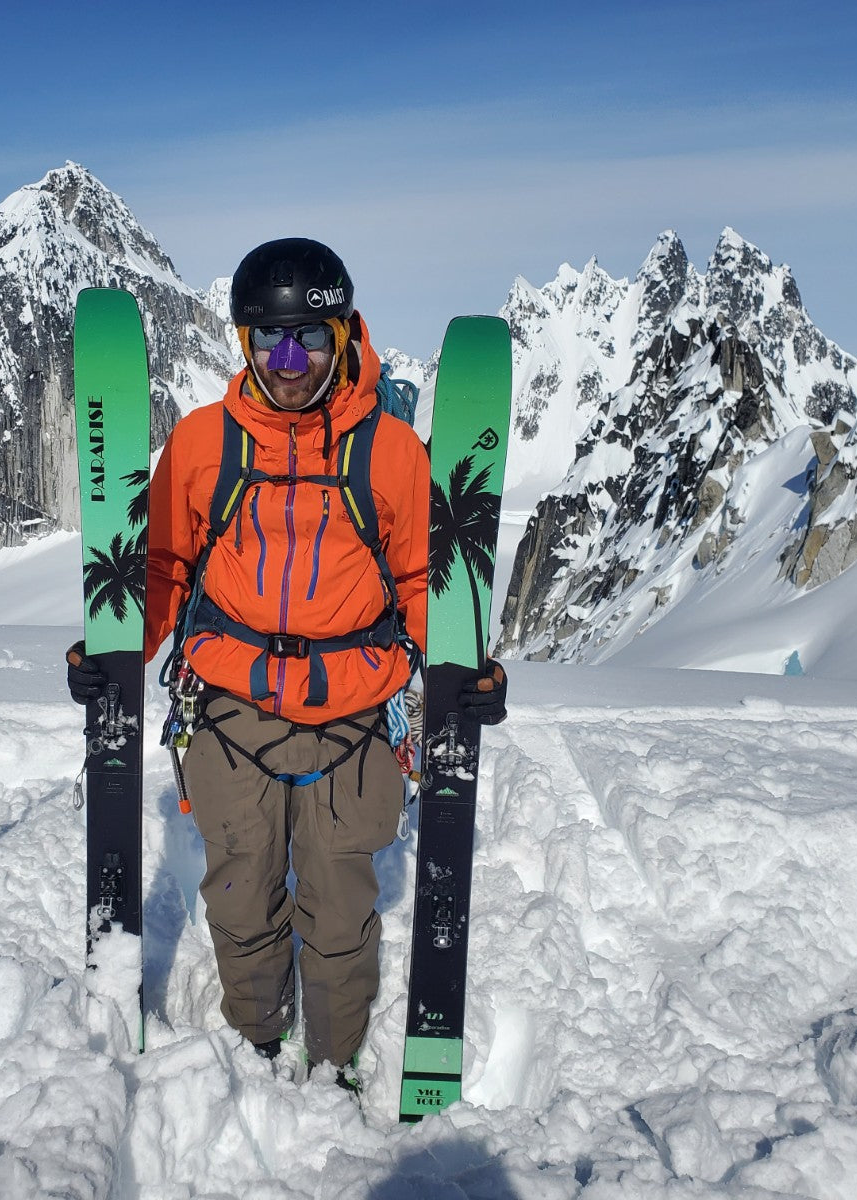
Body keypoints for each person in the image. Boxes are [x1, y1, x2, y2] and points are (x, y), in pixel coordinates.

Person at [69, 238, 507, 1088]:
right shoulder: (203, 446)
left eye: (308, 337)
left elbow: (426, 576)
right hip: (231, 705)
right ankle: (256, 1043)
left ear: (342, 336)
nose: (289, 360)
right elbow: (159, 565)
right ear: (243, 344)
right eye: (268, 340)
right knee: (240, 896)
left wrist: (468, 669)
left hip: (354, 709)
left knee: (340, 907)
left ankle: (336, 1059)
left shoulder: (391, 453)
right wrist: (114, 647)